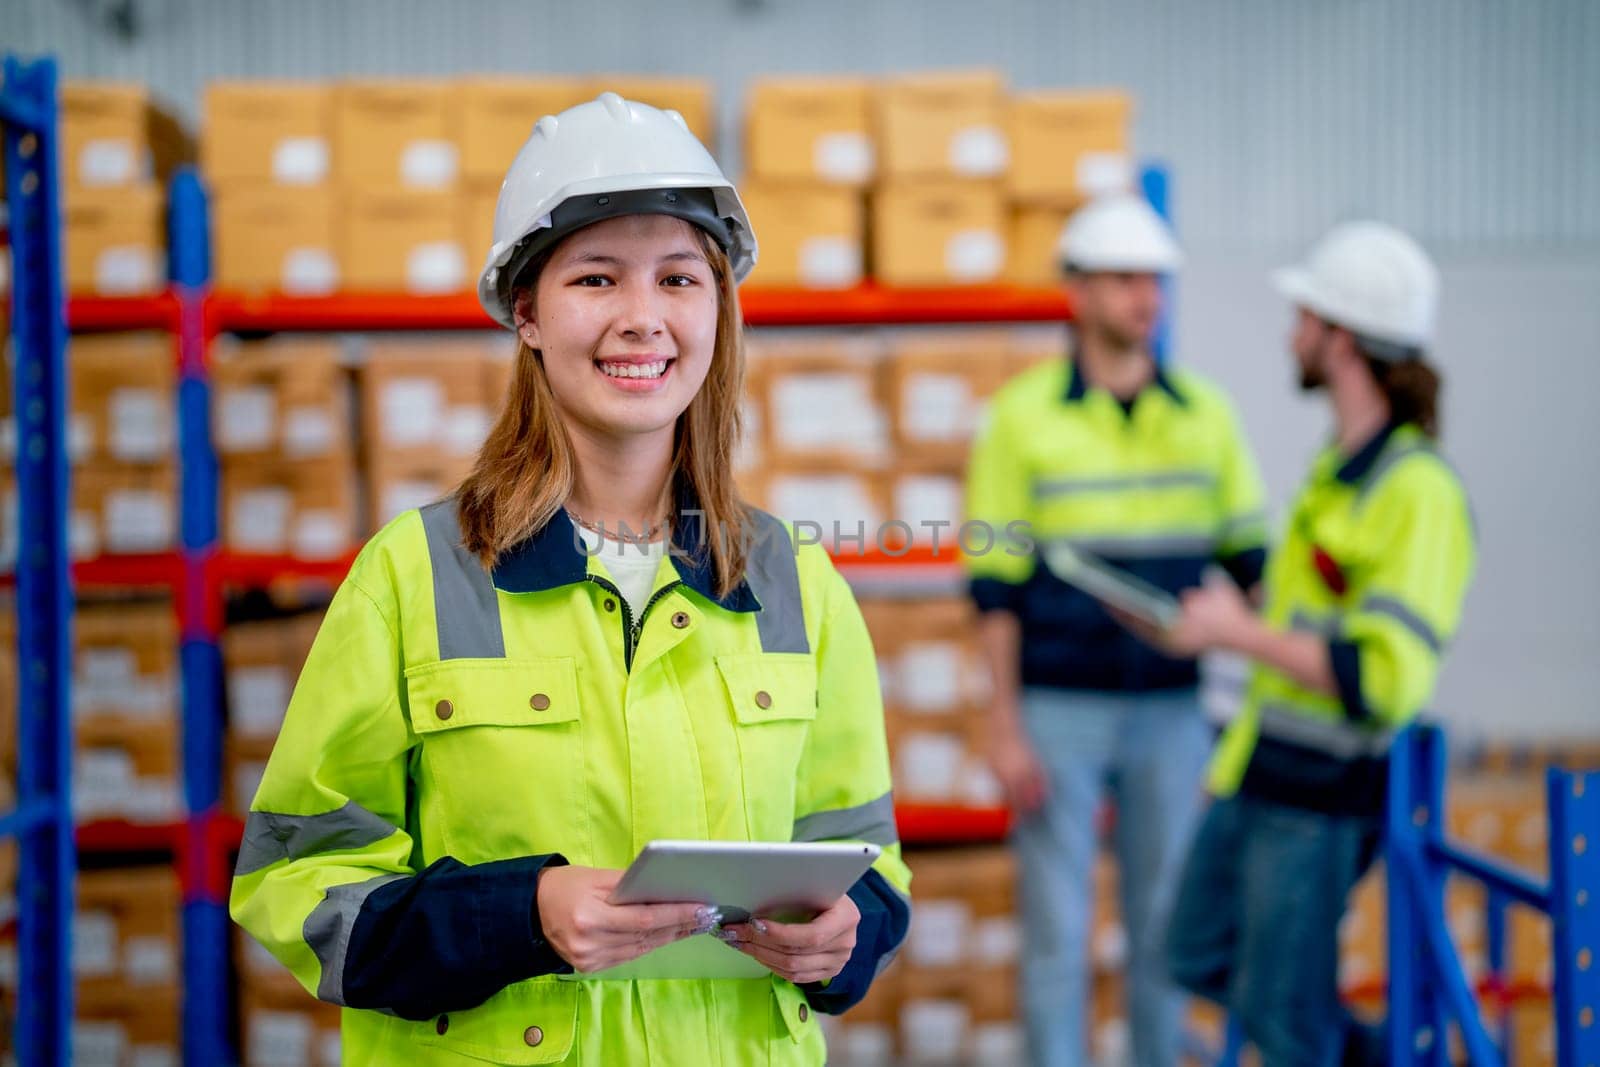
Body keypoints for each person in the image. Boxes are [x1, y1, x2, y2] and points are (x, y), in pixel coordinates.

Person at [229, 94, 911, 1066]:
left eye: (679, 277)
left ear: (718, 309)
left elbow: (867, 852)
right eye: (596, 278)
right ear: (528, 314)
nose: (643, 318)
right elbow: (294, 883)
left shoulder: (793, 578)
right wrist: (521, 914)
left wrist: (847, 937)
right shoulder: (414, 574)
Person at [1150, 222, 1476, 1066]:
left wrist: (1234, 632)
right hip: (1261, 771)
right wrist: (1222, 619)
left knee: (1285, 1018)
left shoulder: (1417, 492)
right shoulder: (1339, 469)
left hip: (1323, 799)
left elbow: (1381, 678)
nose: (1291, 332)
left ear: (1340, 338)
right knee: (1192, 953)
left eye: (1305, 316)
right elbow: (1300, 624)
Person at [963, 193, 1269, 1067]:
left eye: (1156, 281)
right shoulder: (1021, 418)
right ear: (1079, 293)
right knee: (1057, 937)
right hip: (1056, 710)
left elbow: (1254, 568)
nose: (1146, 297)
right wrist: (1005, 721)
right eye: (1126, 279)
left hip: (1173, 713)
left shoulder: (1207, 414)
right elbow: (994, 587)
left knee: (1165, 934)